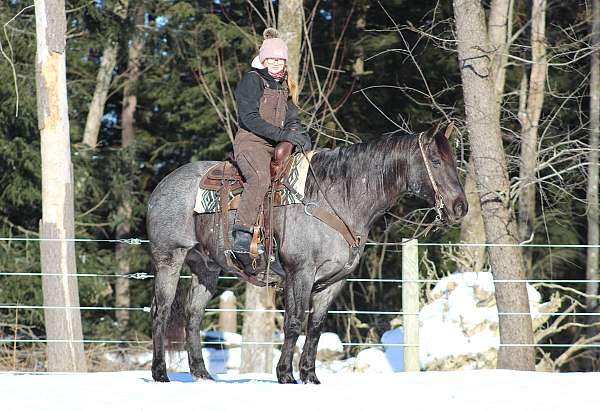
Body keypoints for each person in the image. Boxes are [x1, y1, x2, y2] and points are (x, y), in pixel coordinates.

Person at [231, 28, 311, 274]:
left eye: (280, 59)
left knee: (293, 184)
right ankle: (242, 238)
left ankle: (274, 244)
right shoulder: (252, 80)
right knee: (260, 178)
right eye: (272, 59)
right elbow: (249, 117)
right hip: (251, 143)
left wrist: (297, 135)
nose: (276, 63)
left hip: (275, 145)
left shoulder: (284, 86)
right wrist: (282, 135)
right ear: (264, 60)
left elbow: (292, 118)